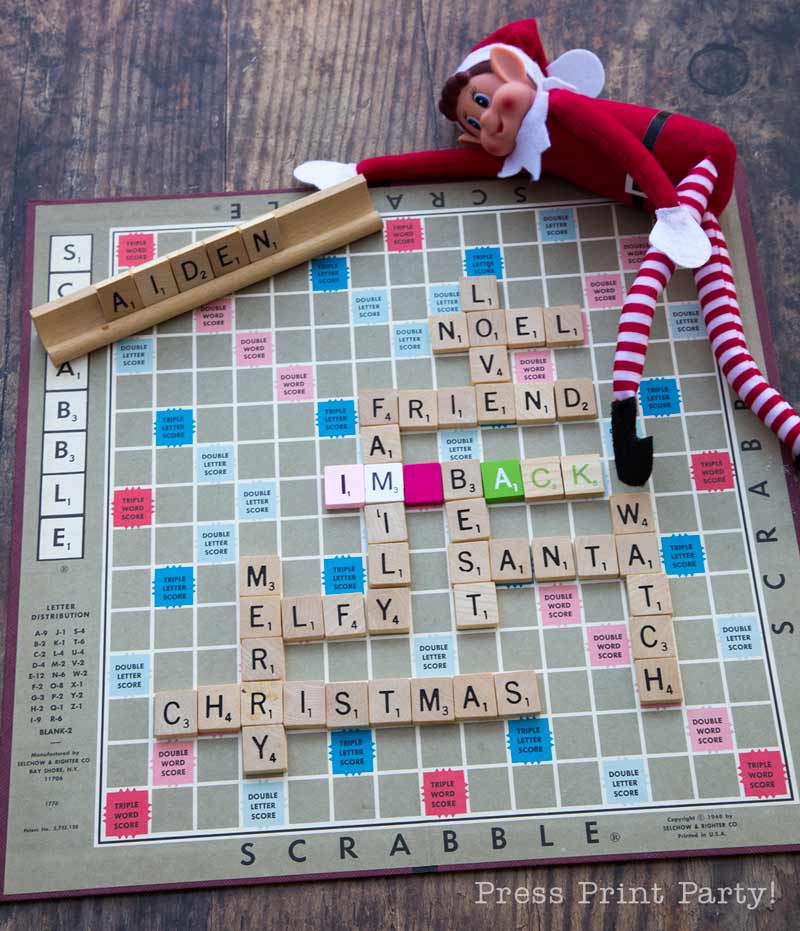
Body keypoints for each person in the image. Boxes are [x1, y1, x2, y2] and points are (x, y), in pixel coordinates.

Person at [295, 19, 800, 484]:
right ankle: (793, 433)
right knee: (731, 348)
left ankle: (624, 424)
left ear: (515, 73)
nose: (485, 122)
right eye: (472, 123)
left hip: (696, 163)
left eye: (484, 100)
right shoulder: (520, 151)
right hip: (671, 201)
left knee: (644, 294)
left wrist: (670, 212)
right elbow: (439, 164)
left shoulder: (558, 106)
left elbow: (626, 148)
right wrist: (360, 169)